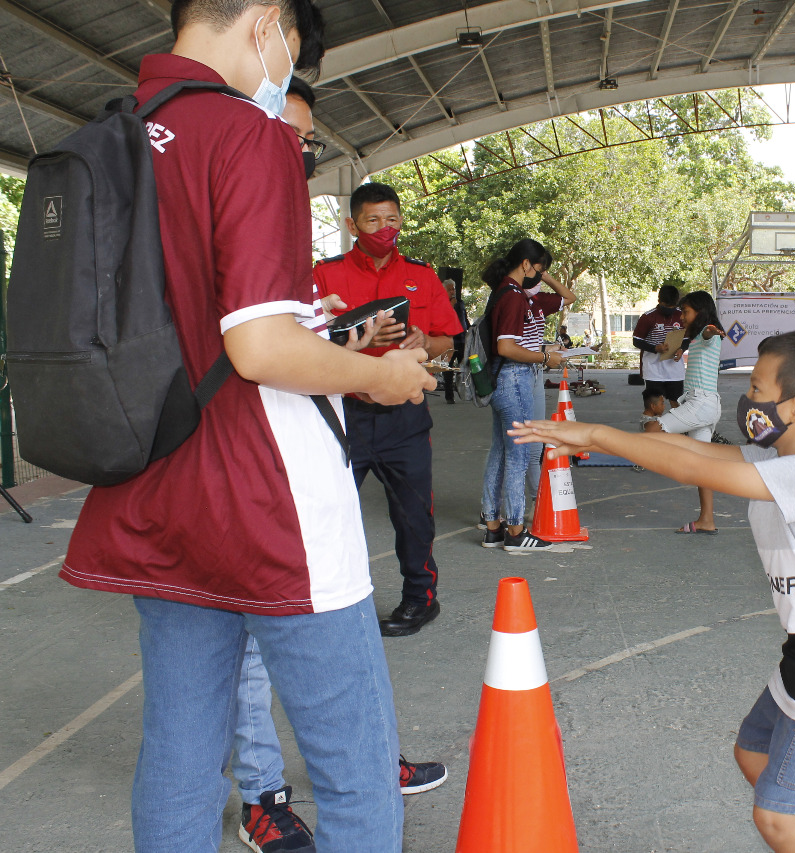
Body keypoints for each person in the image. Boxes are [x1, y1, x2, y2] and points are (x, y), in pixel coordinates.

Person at [58, 4, 438, 851]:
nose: (282, 71)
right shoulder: (250, 134)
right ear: (267, 22)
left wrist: (302, 325)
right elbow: (259, 348)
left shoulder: (120, 134)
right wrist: (383, 373)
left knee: (183, 755)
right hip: (270, 501)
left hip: (154, 483)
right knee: (355, 765)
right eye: (291, 49)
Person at [510, 329, 795, 853]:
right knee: (754, 757)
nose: (748, 401)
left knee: (776, 818)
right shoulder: (780, 459)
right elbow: (688, 448)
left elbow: (692, 467)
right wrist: (587, 432)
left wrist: (596, 436)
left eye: (757, 390)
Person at [312, 182, 462, 637]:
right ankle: (323, 603)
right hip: (342, 414)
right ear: (352, 223)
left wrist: (424, 341)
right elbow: (300, 338)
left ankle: (421, 599)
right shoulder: (324, 274)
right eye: (373, 220)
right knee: (324, 513)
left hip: (405, 416)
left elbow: (447, 340)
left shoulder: (422, 275)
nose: (384, 228)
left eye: (392, 219)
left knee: (414, 514)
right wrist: (352, 342)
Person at [479, 239, 576, 552]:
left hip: (501, 381)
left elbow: (567, 298)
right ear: (525, 264)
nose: (539, 274)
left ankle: (493, 526)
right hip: (513, 380)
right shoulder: (513, 296)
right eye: (538, 268)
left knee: (500, 452)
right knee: (519, 456)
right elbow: (506, 347)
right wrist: (545, 358)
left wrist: (543, 276)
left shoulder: (509, 292)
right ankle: (516, 531)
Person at [644, 290, 724, 535]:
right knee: (702, 467)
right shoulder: (695, 337)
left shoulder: (707, 334)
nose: (682, 317)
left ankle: (673, 459)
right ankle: (707, 520)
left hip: (701, 404)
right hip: (704, 405)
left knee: (651, 429)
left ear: (700, 311)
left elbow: (710, 332)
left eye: (686, 312)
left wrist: (711, 330)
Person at [633, 284, 686, 409]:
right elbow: (636, 341)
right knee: (654, 405)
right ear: (659, 301)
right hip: (653, 370)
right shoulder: (648, 317)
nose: (670, 309)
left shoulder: (681, 316)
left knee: (676, 403)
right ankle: (653, 426)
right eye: (667, 306)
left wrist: (682, 349)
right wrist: (655, 348)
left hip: (674, 370)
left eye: (673, 306)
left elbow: (687, 339)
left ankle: (678, 428)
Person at [440, 267, 469, 404]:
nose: (453, 292)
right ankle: (449, 396)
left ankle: (467, 391)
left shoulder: (460, 303)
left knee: (466, 366)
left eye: (454, 289)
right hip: (449, 341)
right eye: (450, 289)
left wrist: (470, 330)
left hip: (462, 340)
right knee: (447, 369)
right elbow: (442, 320)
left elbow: (465, 320)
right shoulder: (442, 304)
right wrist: (450, 307)